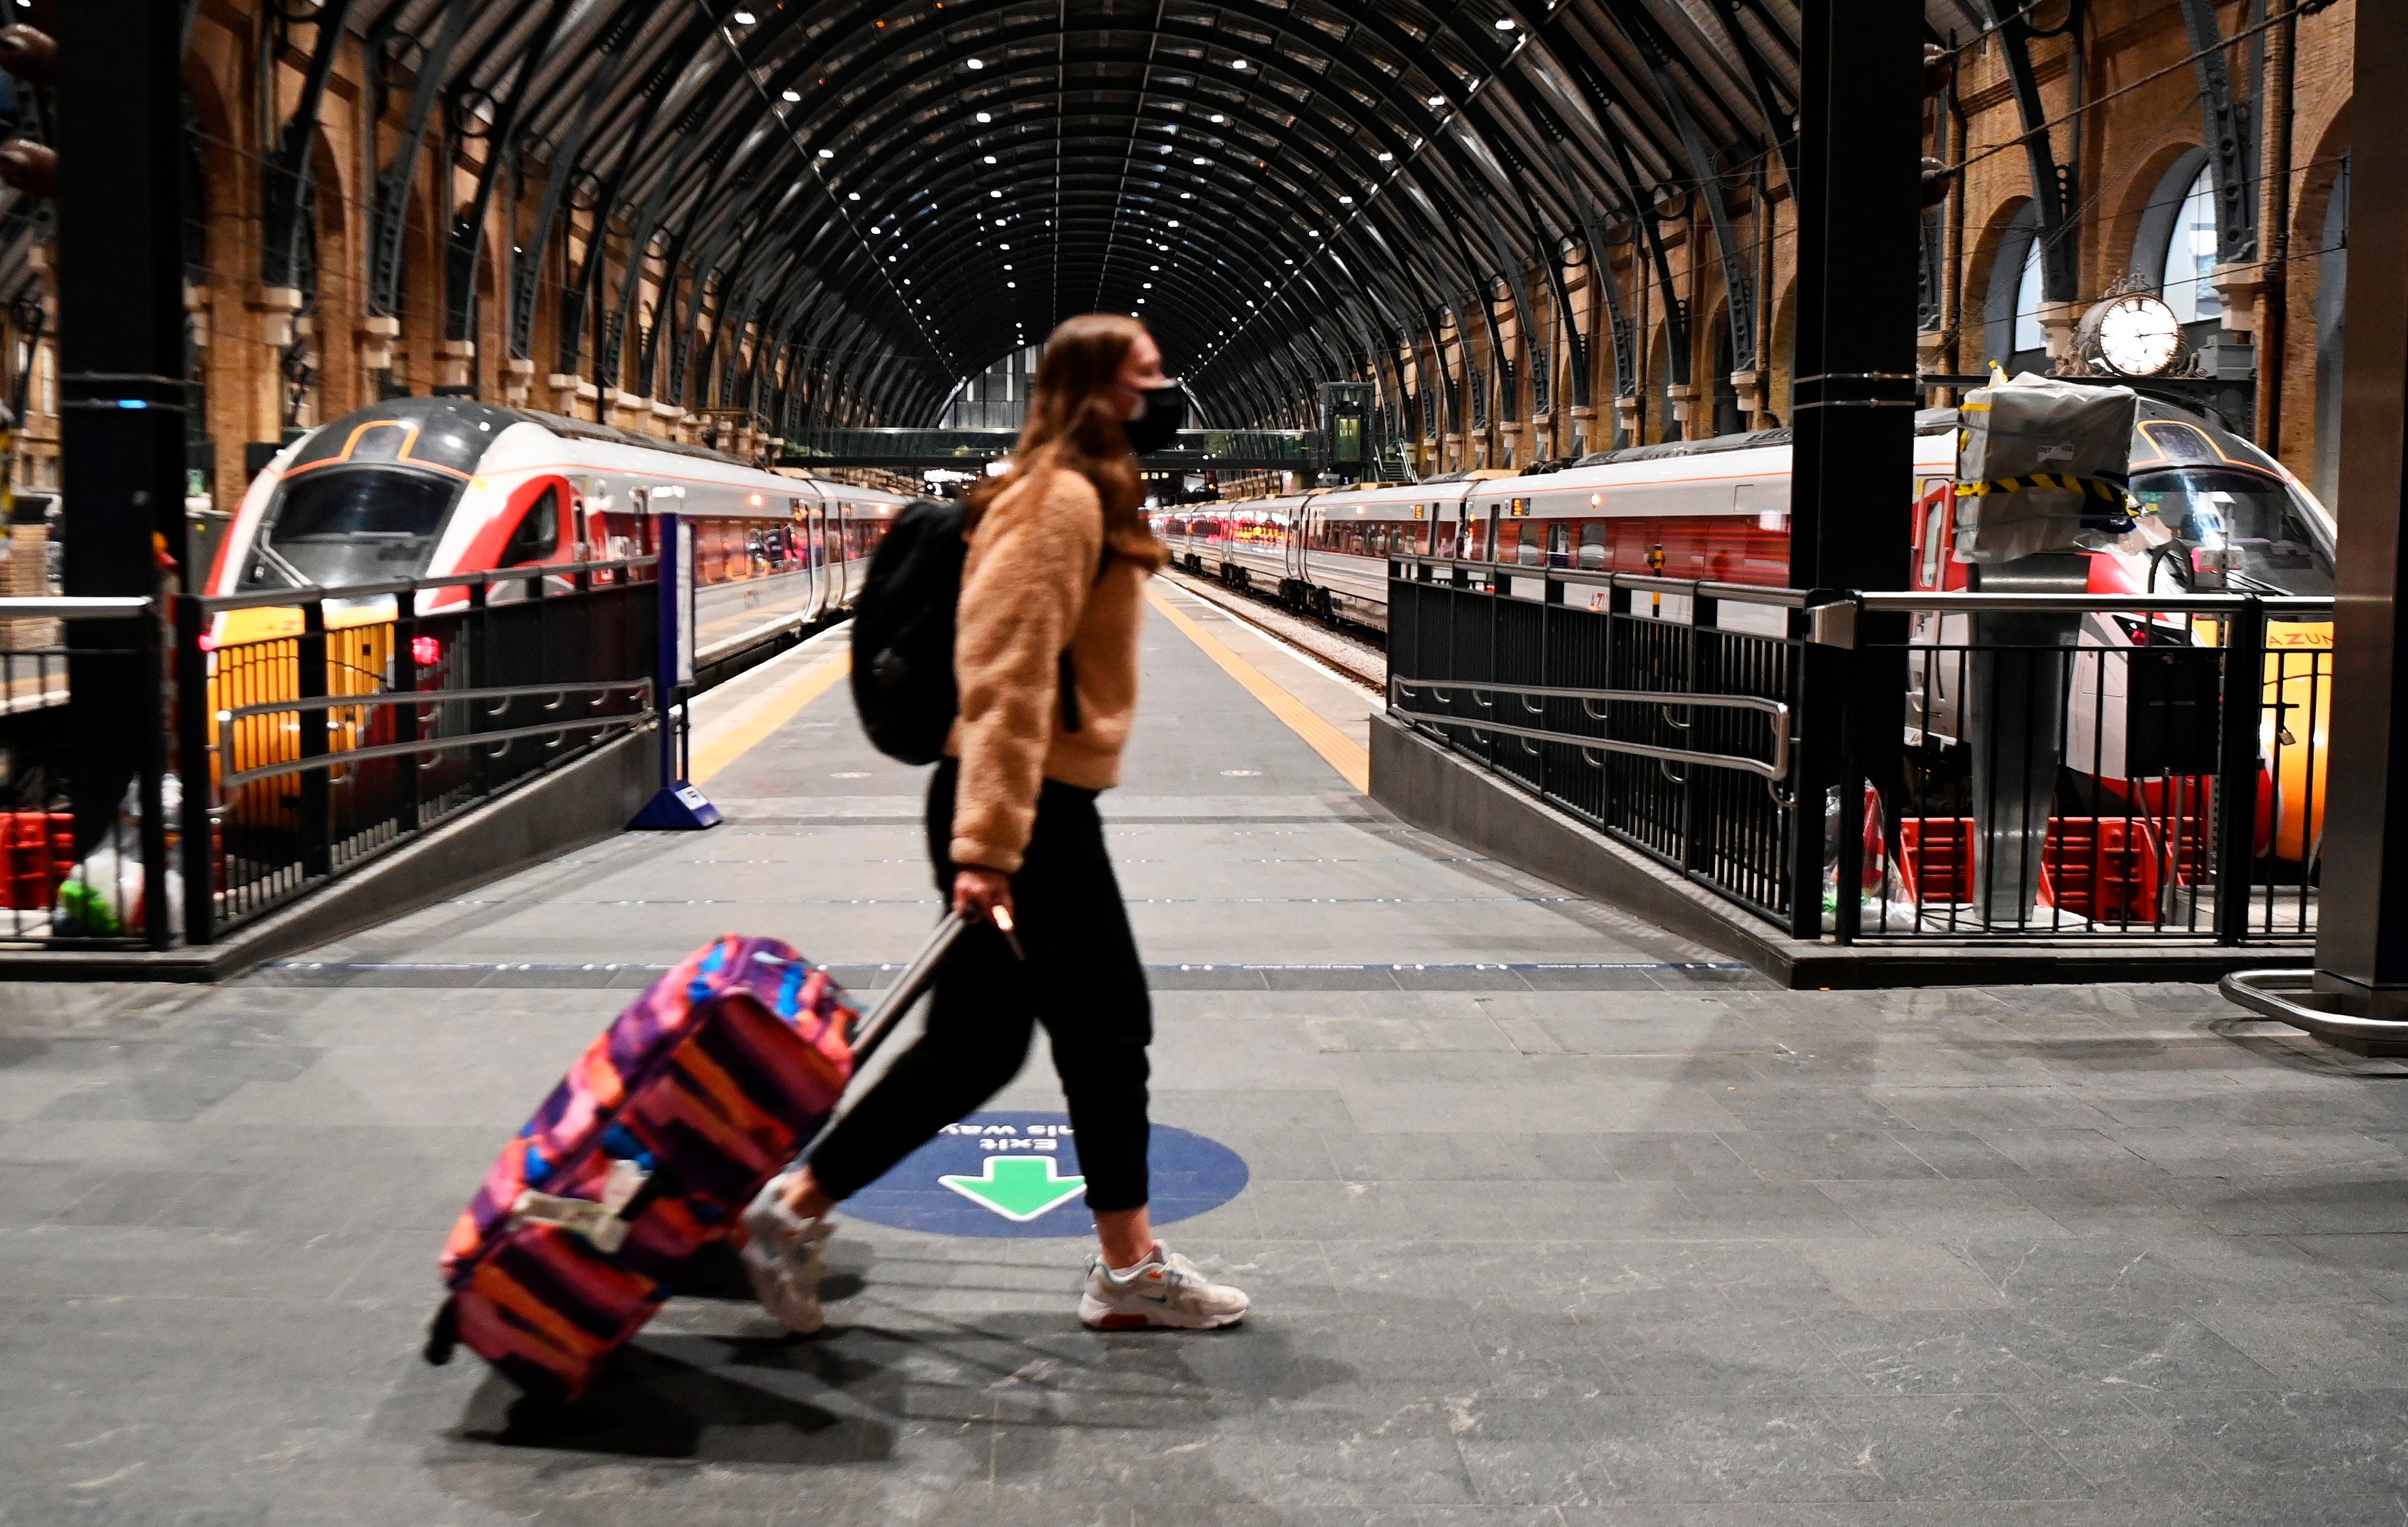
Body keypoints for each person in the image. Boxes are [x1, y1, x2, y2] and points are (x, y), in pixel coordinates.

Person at [743, 313, 1250, 1333]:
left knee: (1110, 1035)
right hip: (1017, 816)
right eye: (1148, 377)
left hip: (1050, 810)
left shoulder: (1090, 492)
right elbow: (1007, 680)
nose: (1166, 395)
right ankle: (790, 1209)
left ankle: (1126, 1269)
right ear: (1096, 391)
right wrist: (986, 851)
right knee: (975, 1048)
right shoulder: (1055, 501)